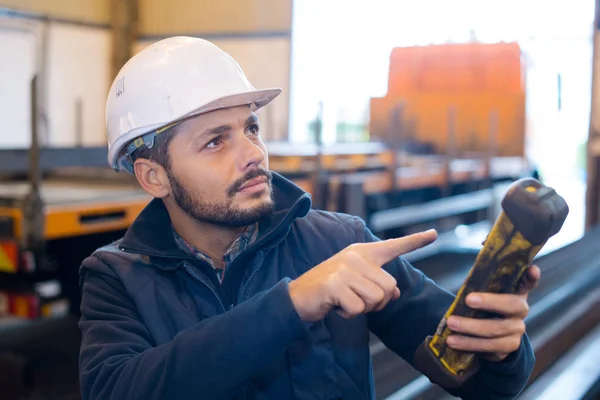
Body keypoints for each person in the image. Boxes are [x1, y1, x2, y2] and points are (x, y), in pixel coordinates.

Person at [78, 36, 537, 400]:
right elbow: (117, 390)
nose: (254, 154)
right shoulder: (116, 277)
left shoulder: (339, 244)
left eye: (251, 128)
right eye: (216, 141)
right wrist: (293, 303)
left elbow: (483, 385)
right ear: (154, 176)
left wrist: (502, 346)